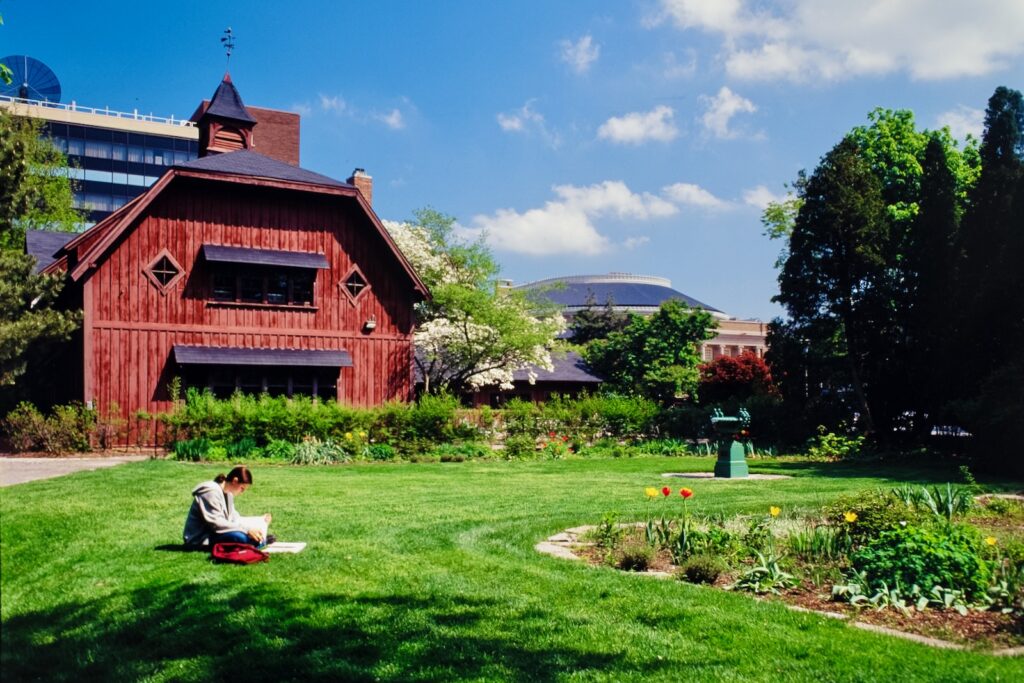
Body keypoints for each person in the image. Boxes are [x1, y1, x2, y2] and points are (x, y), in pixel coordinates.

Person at [183, 466, 273, 549]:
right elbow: (217, 524)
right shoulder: (210, 492)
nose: (242, 492)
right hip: (200, 539)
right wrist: (247, 530)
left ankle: (257, 541)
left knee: (243, 535)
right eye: (242, 488)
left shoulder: (228, 493)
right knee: (240, 537)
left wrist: (260, 520)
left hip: (215, 534)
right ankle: (257, 543)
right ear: (235, 481)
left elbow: (234, 519)